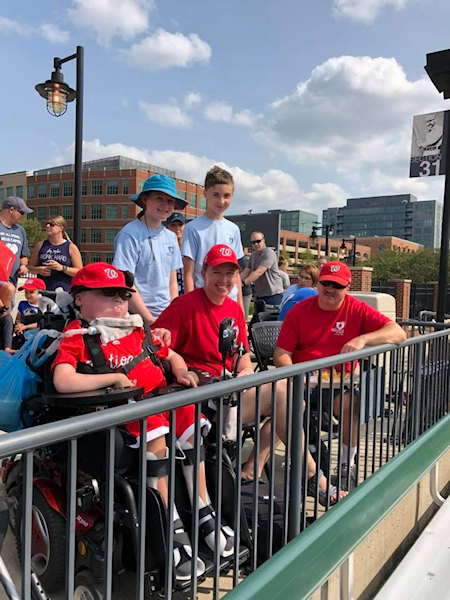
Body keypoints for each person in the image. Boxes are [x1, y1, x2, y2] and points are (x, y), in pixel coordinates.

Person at [52, 262, 234, 581]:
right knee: (156, 429)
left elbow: (171, 354)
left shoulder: (138, 328)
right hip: (121, 416)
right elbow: (63, 380)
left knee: (192, 420)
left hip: (158, 404)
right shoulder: (79, 335)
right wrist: (114, 378)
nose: (119, 302)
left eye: (123, 295)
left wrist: (180, 370)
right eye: (108, 295)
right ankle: (169, 525)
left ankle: (204, 509)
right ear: (79, 299)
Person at [155, 245, 345, 505]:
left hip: (230, 392)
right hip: (199, 402)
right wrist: (178, 364)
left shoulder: (233, 308)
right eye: (217, 272)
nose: (224, 280)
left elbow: (242, 354)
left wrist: (245, 370)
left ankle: (253, 469)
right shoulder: (184, 305)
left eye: (229, 273)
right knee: (284, 395)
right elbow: (155, 346)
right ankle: (311, 475)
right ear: (203, 272)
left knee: (292, 400)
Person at [274, 261, 406, 490]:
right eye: (325, 283)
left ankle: (346, 465)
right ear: (318, 284)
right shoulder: (299, 310)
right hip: (302, 382)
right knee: (280, 408)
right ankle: (253, 473)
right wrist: (297, 376)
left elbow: (398, 333)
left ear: (347, 287)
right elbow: (281, 354)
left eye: (337, 285)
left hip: (336, 383)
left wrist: (363, 339)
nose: (330, 289)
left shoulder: (356, 308)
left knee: (352, 405)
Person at [113, 174, 187, 324]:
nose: (165, 206)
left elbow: (172, 282)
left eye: (170, 201)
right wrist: (150, 321)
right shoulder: (129, 234)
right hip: (136, 318)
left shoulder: (171, 237)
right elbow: (125, 282)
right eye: (159, 198)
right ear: (145, 199)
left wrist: (172, 314)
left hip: (166, 317)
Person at [181, 166, 244, 308]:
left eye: (226, 196)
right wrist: (190, 307)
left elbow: (236, 275)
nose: (221, 201)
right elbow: (188, 274)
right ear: (205, 194)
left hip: (230, 303)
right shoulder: (193, 228)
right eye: (216, 195)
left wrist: (240, 309)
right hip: (203, 302)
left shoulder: (233, 229)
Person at [28, 216, 83, 291]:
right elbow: (30, 268)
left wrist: (61, 268)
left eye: (51, 224)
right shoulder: (40, 245)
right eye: (47, 224)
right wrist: (38, 270)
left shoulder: (70, 247)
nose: (47, 226)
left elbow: (79, 272)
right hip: (42, 291)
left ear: (60, 228)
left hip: (63, 293)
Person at [0, 196, 33, 317]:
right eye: (21, 212)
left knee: (5, 316)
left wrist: (23, 265)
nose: (23, 215)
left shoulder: (20, 231)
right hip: (2, 283)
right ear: (11, 210)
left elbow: (23, 255)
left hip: (12, 282)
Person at [240, 231, 284, 312]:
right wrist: (236, 282)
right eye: (253, 242)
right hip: (260, 296)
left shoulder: (269, 253)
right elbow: (246, 271)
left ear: (263, 240)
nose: (256, 244)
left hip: (273, 296)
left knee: (270, 323)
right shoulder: (253, 256)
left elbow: (258, 272)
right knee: (257, 323)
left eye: (258, 241)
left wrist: (243, 283)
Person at [165, 212, 186, 296]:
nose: (177, 228)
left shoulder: (188, 248)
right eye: (173, 225)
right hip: (170, 291)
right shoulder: (165, 248)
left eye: (180, 225)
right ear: (167, 227)